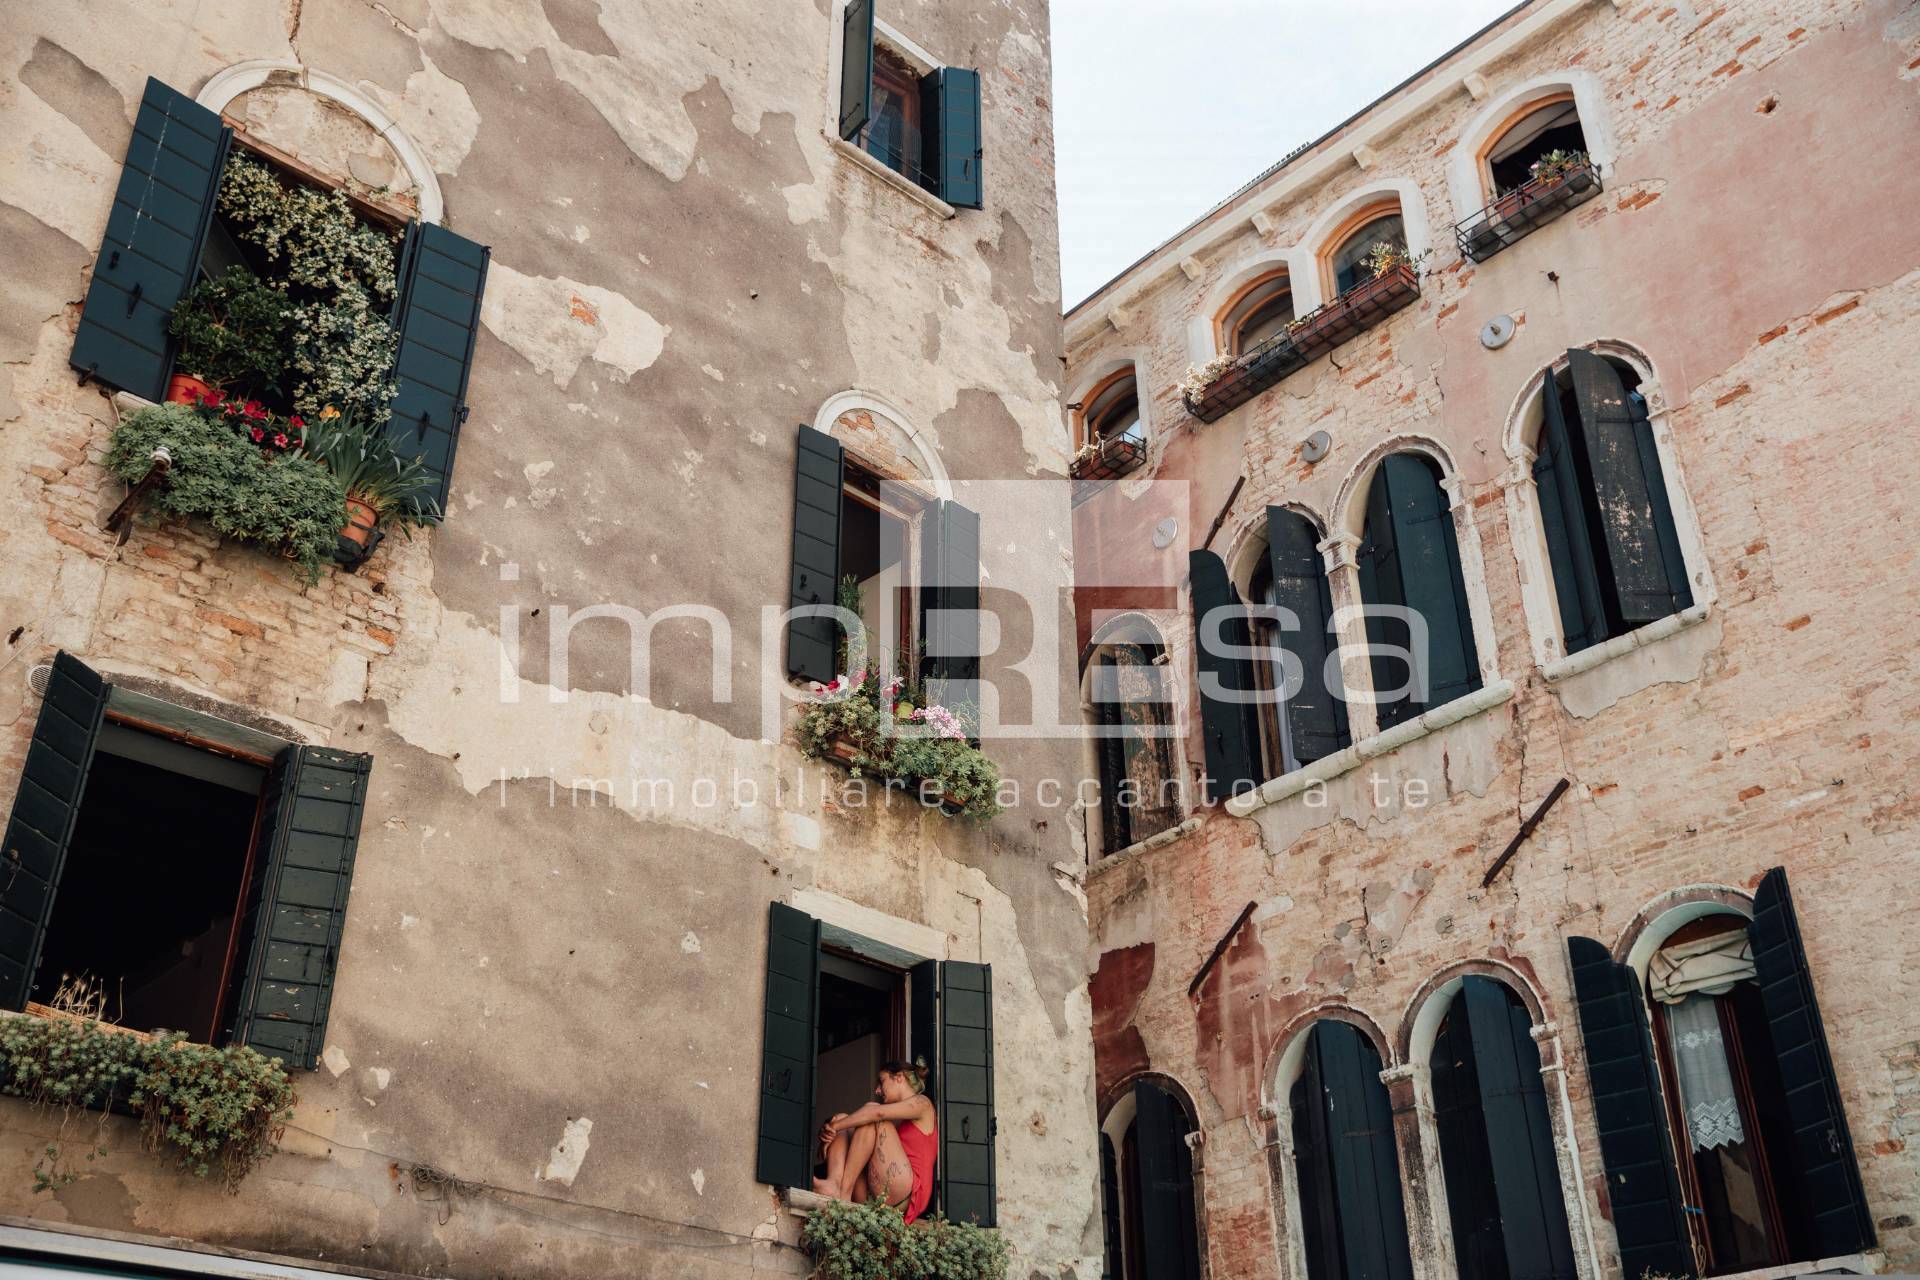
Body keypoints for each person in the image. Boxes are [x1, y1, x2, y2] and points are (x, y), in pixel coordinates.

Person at [812, 1061, 938, 1223]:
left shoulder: (923, 1103)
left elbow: (876, 1113)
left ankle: (843, 1192)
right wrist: (833, 1130)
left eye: (881, 1081)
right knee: (842, 1118)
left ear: (899, 1077)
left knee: (871, 1114)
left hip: (905, 1195)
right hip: (873, 1196)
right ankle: (834, 1184)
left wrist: (832, 1127)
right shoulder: (895, 1117)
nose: (877, 1090)